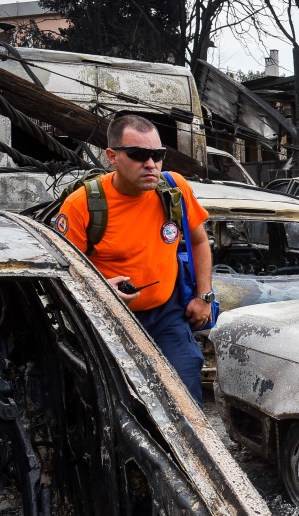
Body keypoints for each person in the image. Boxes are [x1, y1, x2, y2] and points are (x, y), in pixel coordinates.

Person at [55, 114, 214, 404]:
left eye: (157, 155)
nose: (150, 164)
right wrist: (102, 288)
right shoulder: (82, 205)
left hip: (167, 314)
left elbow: (201, 241)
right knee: (118, 401)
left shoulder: (174, 189)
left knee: (184, 394)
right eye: (138, 154)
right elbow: (65, 273)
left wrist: (204, 295)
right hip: (108, 317)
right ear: (112, 157)